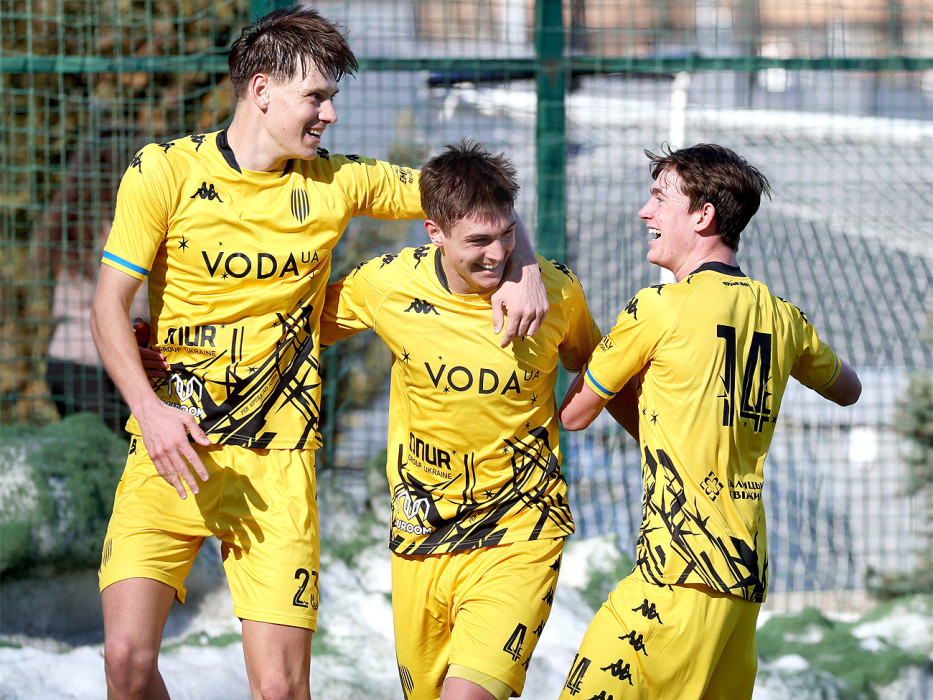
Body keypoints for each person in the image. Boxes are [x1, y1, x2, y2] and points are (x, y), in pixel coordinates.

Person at [90, 8, 546, 700]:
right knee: (125, 661)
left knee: (279, 689)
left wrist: (526, 266)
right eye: (317, 97)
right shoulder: (165, 171)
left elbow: (477, 198)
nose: (330, 114)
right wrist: (148, 411)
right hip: (170, 448)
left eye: (332, 97)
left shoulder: (339, 180)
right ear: (262, 90)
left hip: (278, 465)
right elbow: (107, 306)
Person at [557, 143, 861, 700]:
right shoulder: (781, 315)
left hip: (677, 570)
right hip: (744, 575)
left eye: (659, 198)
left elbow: (574, 414)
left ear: (703, 216)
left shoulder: (659, 307)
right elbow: (850, 390)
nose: (645, 211)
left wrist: (582, 343)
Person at [319, 140, 603, 700]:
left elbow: (597, 367)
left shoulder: (556, 292)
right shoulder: (387, 284)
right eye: (477, 241)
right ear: (434, 233)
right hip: (422, 536)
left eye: (506, 235)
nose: (497, 254)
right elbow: (295, 321)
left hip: (520, 529)